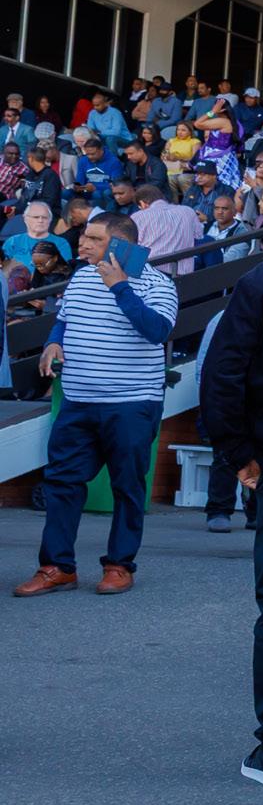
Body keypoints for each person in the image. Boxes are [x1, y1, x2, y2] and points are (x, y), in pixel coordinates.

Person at [11, 214, 178, 600]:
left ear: (121, 245)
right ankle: (57, 567)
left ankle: (119, 565)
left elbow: (157, 331)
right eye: (84, 236)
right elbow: (64, 320)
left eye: (94, 238)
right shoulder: (82, 278)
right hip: (78, 402)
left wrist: (120, 288)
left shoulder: (159, 284)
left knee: (127, 486)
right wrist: (53, 342)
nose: (82, 243)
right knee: (61, 483)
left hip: (132, 404)